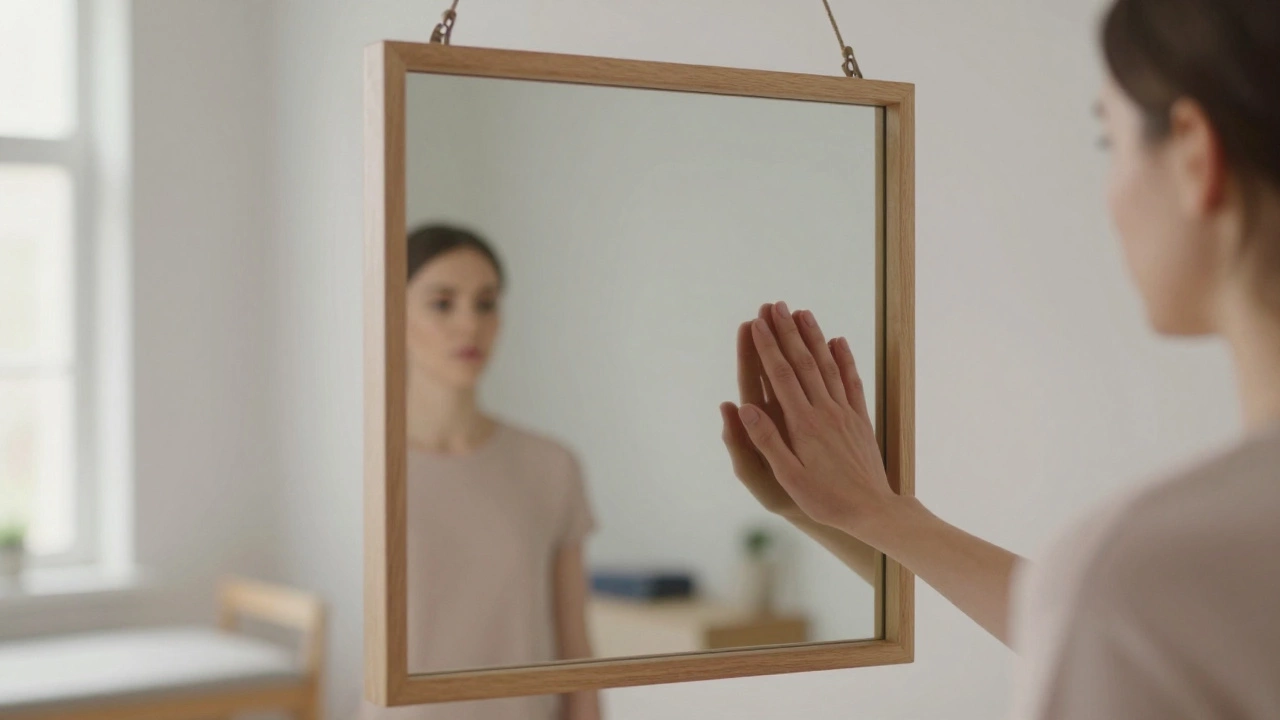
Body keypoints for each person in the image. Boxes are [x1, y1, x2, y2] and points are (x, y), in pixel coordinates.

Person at [721, 0, 1280, 717]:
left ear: (1196, 156)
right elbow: (1133, 628)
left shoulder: (1138, 574)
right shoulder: (1151, 583)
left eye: (1108, 140)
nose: (1108, 194)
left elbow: (1120, 615)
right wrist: (875, 514)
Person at [363, 225, 600, 720]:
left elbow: (576, 653)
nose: (469, 323)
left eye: (486, 303)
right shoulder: (361, 471)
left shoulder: (551, 466)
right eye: (442, 303)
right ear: (393, 312)